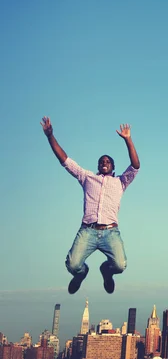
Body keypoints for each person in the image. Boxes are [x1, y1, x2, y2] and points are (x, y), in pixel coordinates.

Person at [40, 116, 140, 294]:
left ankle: (106, 272)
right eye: (102, 161)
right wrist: (50, 136)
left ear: (113, 167)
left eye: (108, 161)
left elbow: (135, 165)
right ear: (98, 165)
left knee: (120, 265)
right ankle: (81, 274)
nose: (104, 163)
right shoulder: (87, 177)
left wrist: (128, 139)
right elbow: (64, 160)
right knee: (72, 264)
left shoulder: (121, 182)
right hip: (88, 230)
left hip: (110, 232)